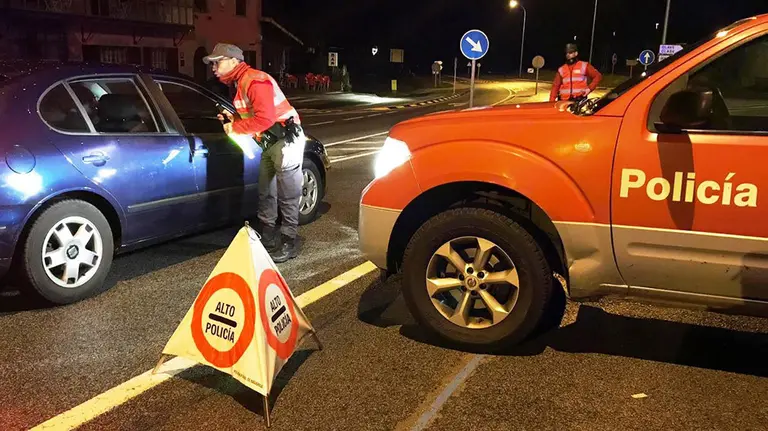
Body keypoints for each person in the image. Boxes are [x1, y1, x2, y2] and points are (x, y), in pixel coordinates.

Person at [203, 43, 305, 263]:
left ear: (234, 61)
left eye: (217, 62)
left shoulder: (254, 80)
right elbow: (255, 117)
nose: (213, 67)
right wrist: (236, 120)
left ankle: (289, 241)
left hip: (286, 140)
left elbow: (266, 119)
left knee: (287, 194)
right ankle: (267, 237)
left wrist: (236, 128)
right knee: (266, 190)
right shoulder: (240, 83)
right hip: (270, 141)